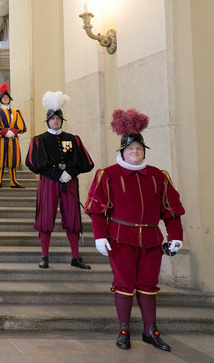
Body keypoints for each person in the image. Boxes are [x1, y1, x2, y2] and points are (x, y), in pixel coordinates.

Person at [85, 109, 185, 352]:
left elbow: (171, 210)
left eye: (139, 149)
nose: (135, 152)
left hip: (151, 239)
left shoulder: (159, 176)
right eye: (130, 149)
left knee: (149, 284)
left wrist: (176, 237)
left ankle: (150, 330)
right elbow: (97, 209)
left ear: (144, 151)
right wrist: (99, 236)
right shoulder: (107, 175)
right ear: (122, 151)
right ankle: (124, 329)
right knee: (124, 283)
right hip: (120, 239)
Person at [25, 91, 94, 269]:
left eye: (58, 118)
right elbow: (32, 163)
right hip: (48, 182)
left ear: (62, 120)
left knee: (72, 218)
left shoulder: (72, 139)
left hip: (69, 182)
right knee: (45, 218)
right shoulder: (39, 140)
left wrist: (70, 172)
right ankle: (45, 256)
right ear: (47, 120)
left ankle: (75, 257)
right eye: (52, 118)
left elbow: (86, 163)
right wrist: (56, 174)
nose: (55, 121)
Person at [0, 82, 27, 187]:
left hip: (13, 139)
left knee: (13, 160)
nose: (5, 98)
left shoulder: (16, 112)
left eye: (6, 97)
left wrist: (13, 132)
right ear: (0, 99)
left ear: (9, 99)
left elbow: (20, 126)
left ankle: (13, 181)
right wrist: (5, 132)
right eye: (3, 97)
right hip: (0, 139)